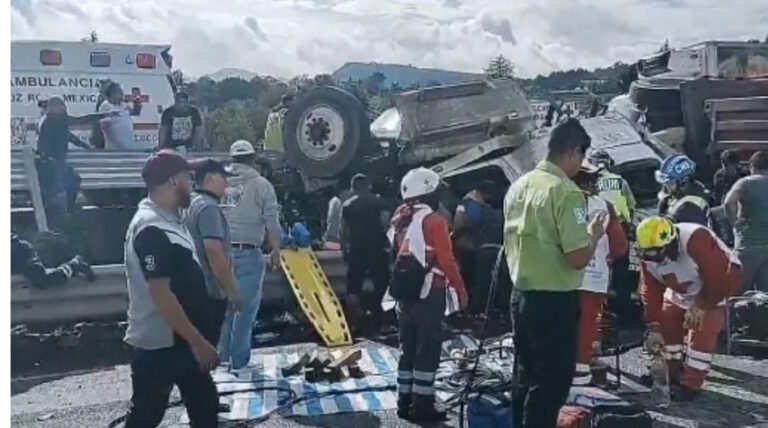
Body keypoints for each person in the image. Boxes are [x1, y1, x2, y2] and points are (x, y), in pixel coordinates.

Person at [504, 118, 607, 428]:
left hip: (520, 296)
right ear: (573, 152)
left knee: (524, 376)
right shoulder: (566, 192)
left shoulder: (519, 185)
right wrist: (594, 233)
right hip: (554, 301)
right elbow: (577, 258)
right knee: (551, 384)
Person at [123, 150, 223, 427]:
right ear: (171, 182)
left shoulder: (170, 219)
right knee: (147, 415)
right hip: (160, 344)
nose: (192, 183)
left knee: (205, 406)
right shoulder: (151, 227)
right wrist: (198, 342)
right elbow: (161, 294)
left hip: (179, 340)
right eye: (187, 178)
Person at [390, 167, 468, 424]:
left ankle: (404, 402)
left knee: (407, 348)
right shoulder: (435, 221)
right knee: (427, 348)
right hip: (428, 294)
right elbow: (447, 260)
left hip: (404, 294)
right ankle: (423, 406)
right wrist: (461, 291)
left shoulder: (400, 219)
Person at [637, 216, 741, 401]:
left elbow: (721, 279)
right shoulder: (647, 258)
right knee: (667, 324)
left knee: (702, 333)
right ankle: (670, 372)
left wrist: (702, 306)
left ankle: (692, 383)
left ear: (672, 242)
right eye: (650, 254)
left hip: (714, 286)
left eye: (659, 253)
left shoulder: (696, 239)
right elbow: (650, 292)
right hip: (681, 287)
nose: (657, 260)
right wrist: (654, 326)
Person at [219, 139, 282, 370]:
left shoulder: (219, 183)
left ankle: (222, 358)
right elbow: (272, 222)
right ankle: (239, 362)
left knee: (226, 308)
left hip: (221, 253)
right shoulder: (262, 184)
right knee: (244, 311)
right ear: (253, 159)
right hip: (248, 251)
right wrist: (276, 249)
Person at [571, 164, 629, 385]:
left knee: (562, 322)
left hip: (563, 275)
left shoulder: (559, 201)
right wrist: (607, 258)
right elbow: (620, 245)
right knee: (587, 325)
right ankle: (582, 376)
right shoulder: (605, 206)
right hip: (594, 276)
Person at [183, 158, 241, 322]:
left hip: (191, 287)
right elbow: (213, 250)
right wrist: (231, 290)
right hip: (209, 292)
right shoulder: (208, 208)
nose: (226, 183)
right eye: (223, 177)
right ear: (209, 178)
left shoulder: (190, 203)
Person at [588, 149, 637, 325]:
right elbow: (631, 206)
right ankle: (624, 315)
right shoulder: (619, 181)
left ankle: (601, 316)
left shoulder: (589, 182)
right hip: (619, 228)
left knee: (597, 272)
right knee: (621, 271)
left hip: (598, 229)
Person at [341, 173, 391, 334]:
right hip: (377, 249)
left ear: (353, 188)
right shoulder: (378, 201)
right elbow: (386, 223)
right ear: (368, 185)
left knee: (353, 288)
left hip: (357, 250)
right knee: (382, 286)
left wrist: (344, 250)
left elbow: (343, 231)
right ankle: (382, 323)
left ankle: (353, 324)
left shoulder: (347, 205)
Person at [724, 151, 768, 292]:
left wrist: (735, 223)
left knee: (738, 292)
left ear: (752, 166)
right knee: (765, 295)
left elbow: (728, 203)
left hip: (747, 245)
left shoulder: (745, 183)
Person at [11, 232, 94, 288]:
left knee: (42, 280)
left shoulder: (19, 249)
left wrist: (72, 266)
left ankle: (74, 264)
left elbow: (41, 280)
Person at [656, 154, 710, 225]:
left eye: (669, 183)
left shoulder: (689, 207)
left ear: (682, 182)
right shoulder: (678, 196)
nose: (666, 187)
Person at [99, 82, 142, 150]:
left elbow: (135, 112)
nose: (122, 94)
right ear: (112, 93)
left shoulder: (123, 105)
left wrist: (137, 105)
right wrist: (115, 141)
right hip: (115, 148)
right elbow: (105, 127)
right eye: (119, 91)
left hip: (128, 145)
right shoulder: (106, 106)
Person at [322, 185, 343, 250]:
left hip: (332, 230)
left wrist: (325, 227)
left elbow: (330, 217)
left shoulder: (333, 201)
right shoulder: (338, 200)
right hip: (337, 229)